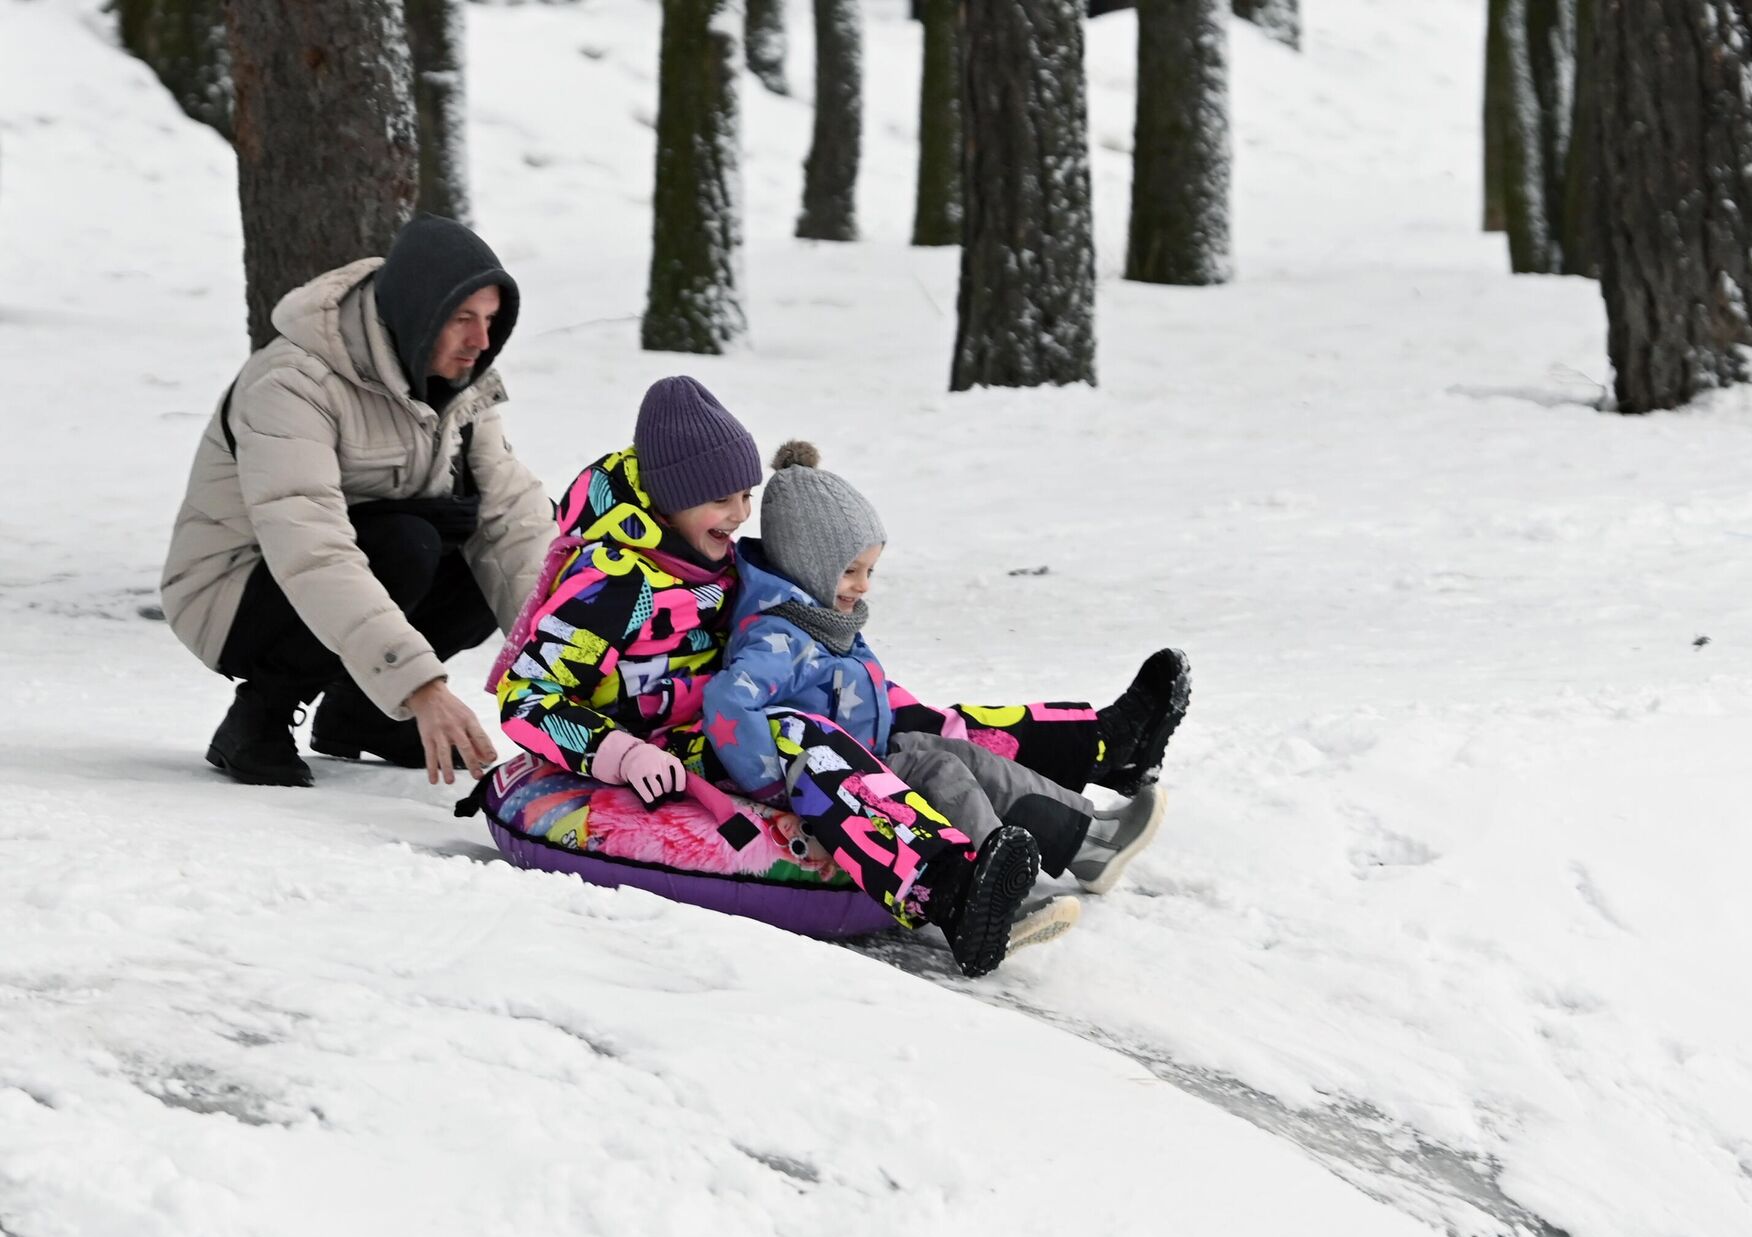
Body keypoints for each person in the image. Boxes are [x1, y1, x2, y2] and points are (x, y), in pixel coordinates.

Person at [492, 377, 1191, 975]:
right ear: (674, 495)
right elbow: (530, 697)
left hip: (750, 707)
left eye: (746, 494)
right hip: (680, 747)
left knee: (901, 715)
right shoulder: (614, 584)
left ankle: (1102, 744)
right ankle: (950, 887)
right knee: (808, 735)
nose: (740, 514)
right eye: (723, 499)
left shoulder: (713, 554)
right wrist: (621, 750)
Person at [161, 216, 554, 788]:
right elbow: (311, 549)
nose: (481, 341)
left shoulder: (462, 387)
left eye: (491, 320)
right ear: (417, 312)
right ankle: (260, 715)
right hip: (232, 594)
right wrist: (421, 685)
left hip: (355, 571)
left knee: (484, 549)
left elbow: (515, 527)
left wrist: (565, 672)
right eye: (463, 319)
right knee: (406, 544)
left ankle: (363, 714)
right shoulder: (294, 382)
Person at [702, 440, 1170, 917]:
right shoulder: (779, 636)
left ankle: (1091, 841)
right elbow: (728, 703)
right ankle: (993, 885)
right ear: (807, 564)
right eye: (849, 571)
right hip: (836, 786)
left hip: (873, 756)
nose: (862, 586)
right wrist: (773, 787)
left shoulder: (825, 618)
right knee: (944, 772)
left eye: (870, 571)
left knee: (962, 756)